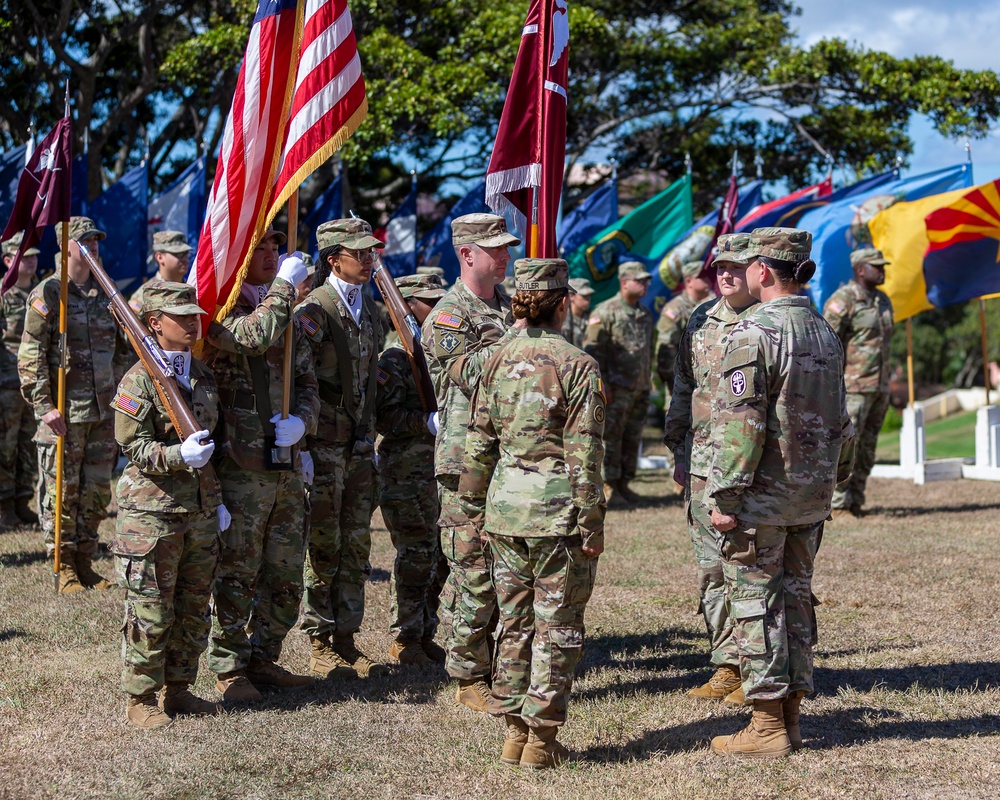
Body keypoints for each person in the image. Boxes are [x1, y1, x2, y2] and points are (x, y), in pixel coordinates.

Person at [706, 228, 853, 758]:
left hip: (762, 498)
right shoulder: (824, 330)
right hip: (810, 496)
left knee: (756, 603)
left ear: (763, 272)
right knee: (795, 600)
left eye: (748, 265)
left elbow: (741, 426)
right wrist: (835, 480)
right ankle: (790, 717)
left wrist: (724, 497)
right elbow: (844, 418)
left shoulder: (753, 332)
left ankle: (767, 726)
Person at [460, 257, 606, 769]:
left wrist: (473, 510)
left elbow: (478, 442)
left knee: (515, 624)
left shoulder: (496, 358)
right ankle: (540, 740)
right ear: (562, 303)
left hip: (504, 511)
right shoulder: (576, 364)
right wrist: (592, 521)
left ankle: (514, 734)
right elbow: (584, 453)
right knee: (557, 627)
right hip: (557, 513)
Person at [201, 229, 319, 701]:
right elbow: (250, 340)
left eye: (275, 249)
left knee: (286, 569)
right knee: (238, 568)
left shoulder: (283, 312)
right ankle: (230, 668)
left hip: (284, 460)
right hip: (240, 462)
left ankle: (264, 656)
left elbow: (307, 380)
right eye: (261, 250)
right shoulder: (217, 311)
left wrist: (303, 424)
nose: (271, 257)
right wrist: (285, 290)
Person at [111, 281, 229, 729]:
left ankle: (179, 689)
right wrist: (177, 456)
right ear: (155, 324)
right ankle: (140, 698)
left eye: (194, 315)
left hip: (198, 510)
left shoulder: (201, 374)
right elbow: (133, 446)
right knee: (151, 608)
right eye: (181, 317)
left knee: (194, 605)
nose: (193, 323)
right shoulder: (138, 379)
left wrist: (215, 499)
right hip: (152, 514)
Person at [420, 212, 520, 712]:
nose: (506, 257)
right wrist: (525, 338)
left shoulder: (508, 308)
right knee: (473, 569)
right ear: (467, 254)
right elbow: (473, 372)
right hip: (465, 464)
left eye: (507, 248)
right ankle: (467, 675)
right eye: (496, 249)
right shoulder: (448, 317)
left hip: (511, 458)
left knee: (508, 567)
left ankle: (500, 662)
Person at [663, 233, 757, 704]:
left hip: (756, 467)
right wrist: (678, 451)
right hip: (703, 462)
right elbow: (683, 386)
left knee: (752, 568)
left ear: (756, 270)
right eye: (719, 266)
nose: (724, 274)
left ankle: (760, 664)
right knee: (711, 570)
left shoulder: (768, 320)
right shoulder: (701, 319)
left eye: (735, 267)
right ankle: (726, 664)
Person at [295, 218, 387, 680]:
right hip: (324, 445)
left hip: (357, 445)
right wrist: (306, 446)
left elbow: (370, 379)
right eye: (360, 253)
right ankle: (319, 640)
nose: (370, 259)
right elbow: (300, 381)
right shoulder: (314, 309)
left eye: (371, 252)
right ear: (334, 259)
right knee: (323, 543)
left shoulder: (369, 309)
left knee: (355, 543)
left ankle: (347, 637)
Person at [18, 216, 130, 593]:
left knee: (97, 491)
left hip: (102, 412)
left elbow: (125, 351)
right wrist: (44, 405)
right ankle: (63, 565)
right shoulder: (49, 294)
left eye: (96, 240)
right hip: (64, 414)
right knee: (61, 493)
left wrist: (120, 396)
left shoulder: (107, 292)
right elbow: (30, 354)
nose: (93, 246)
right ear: (66, 247)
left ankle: (85, 560)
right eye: (85, 241)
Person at [375, 273, 449, 666]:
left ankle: (425, 629)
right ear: (405, 306)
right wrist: (424, 422)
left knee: (440, 556)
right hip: (404, 472)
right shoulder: (394, 358)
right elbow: (384, 418)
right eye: (428, 301)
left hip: (436, 470)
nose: (437, 307)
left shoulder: (436, 352)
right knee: (416, 553)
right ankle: (405, 636)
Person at [823, 247, 893, 518]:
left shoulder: (883, 300)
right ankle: (839, 504)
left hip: (879, 386)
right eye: (877, 266)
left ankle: (857, 501)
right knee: (847, 447)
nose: (882, 270)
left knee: (868, 447)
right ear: (861, 270)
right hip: (852, 387)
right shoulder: (843, 300)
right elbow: (829, 344)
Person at [583, 260, 654, 506]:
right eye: (640, 280)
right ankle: (610, 486)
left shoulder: (644, 313)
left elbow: (648, 351)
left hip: (640, 387)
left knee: (632, 437)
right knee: (612, 438)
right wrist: (603, 386)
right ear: (624, 283)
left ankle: (625, 483)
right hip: (615, 388)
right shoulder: (605, 311)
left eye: (647, 281)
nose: (645, 284)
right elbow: (593, 352)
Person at [0, 233, 40, 526]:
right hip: (7, 383)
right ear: (7, 260)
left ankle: (22, 499)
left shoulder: (42, 293)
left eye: (33, 256)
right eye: (23, 256)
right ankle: (3, 504)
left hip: (35, 384)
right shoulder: (2, 295)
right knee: (6, 445)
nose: (30, 261)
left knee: (28, 443)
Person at [655, 260, 714, 389]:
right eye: (702, 277)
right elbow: (666, 347)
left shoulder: (713, 305)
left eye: (708, 275)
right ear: (688, 281)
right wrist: (675, 379)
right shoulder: (676, 308)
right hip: (681, 383)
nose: (708, 279)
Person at [129, 231, 193, 314]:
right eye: (179, 254)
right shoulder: (146, 294)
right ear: (160, 257)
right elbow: (131, 325)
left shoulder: (192, 288)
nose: (186, 260)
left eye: (186, 254)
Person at [561, 277, 594, 349]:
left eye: (589, 296)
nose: (588, 300)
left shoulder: (591, 316)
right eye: (584, 296)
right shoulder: (563, 320)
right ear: (571, 296)